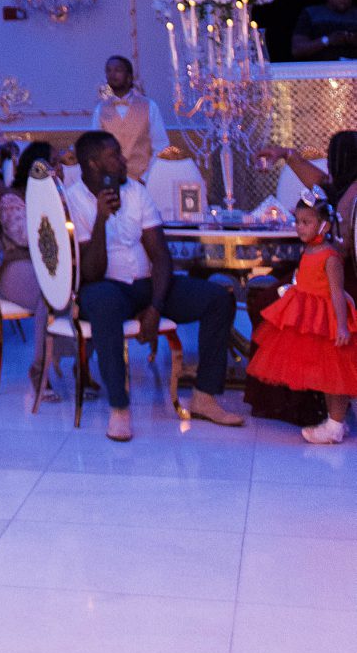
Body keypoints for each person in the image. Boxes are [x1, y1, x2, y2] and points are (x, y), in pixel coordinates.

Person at [65, 130, 243, 443]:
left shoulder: (136, 191)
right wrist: (101, 220)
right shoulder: (73, 200)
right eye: (114, 156)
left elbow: (160, 256)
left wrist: (156, 307)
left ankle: (204, 396)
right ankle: (119, 408)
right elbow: (91, 272)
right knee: (103, 302)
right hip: (104, 286)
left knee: (217, 299)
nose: (123, 160)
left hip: (146, 284)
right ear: (93, 164)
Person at [247, 188, 357, 444]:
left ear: (325, 225)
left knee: (336, 375)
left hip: (328, 320)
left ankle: (335, 424)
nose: (299, 227)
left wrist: (342, 326)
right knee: (328, 375)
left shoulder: (330, 257)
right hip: (310, 316)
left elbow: (337, 294)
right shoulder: (309, 251)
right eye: (297, 221)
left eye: (306, 222)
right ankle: (334, 421)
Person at [0, 140, 60, 400]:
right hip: (17, 267)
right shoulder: (11, 199)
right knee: (48, 295)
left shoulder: (63, 194)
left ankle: (83, 368)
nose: (60, 169)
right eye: (54, 163)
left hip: (52, 267)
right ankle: (39, 370)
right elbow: (26, 237)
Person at [284, 130, 357, 298]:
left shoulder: (352, 194)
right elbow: (321, 182)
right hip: (331, 267)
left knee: (265, 301)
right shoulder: (343, 187)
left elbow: (341, 248)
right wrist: (286, 154)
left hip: (336, 275)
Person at [92, 52, 169, 181]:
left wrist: (146, 177)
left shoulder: (149, 106)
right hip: (111, 181)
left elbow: (161, 147)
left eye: (117, 70)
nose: (112, 74)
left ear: (129, 77)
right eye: (109, 71)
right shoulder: (100, 109)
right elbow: (95, 148)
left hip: (145, 180)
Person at [291, 0, 357, 60]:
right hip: (320, 70)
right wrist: (327, 40)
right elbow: (297, 50)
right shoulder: (311, 13)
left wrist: (352, 39)